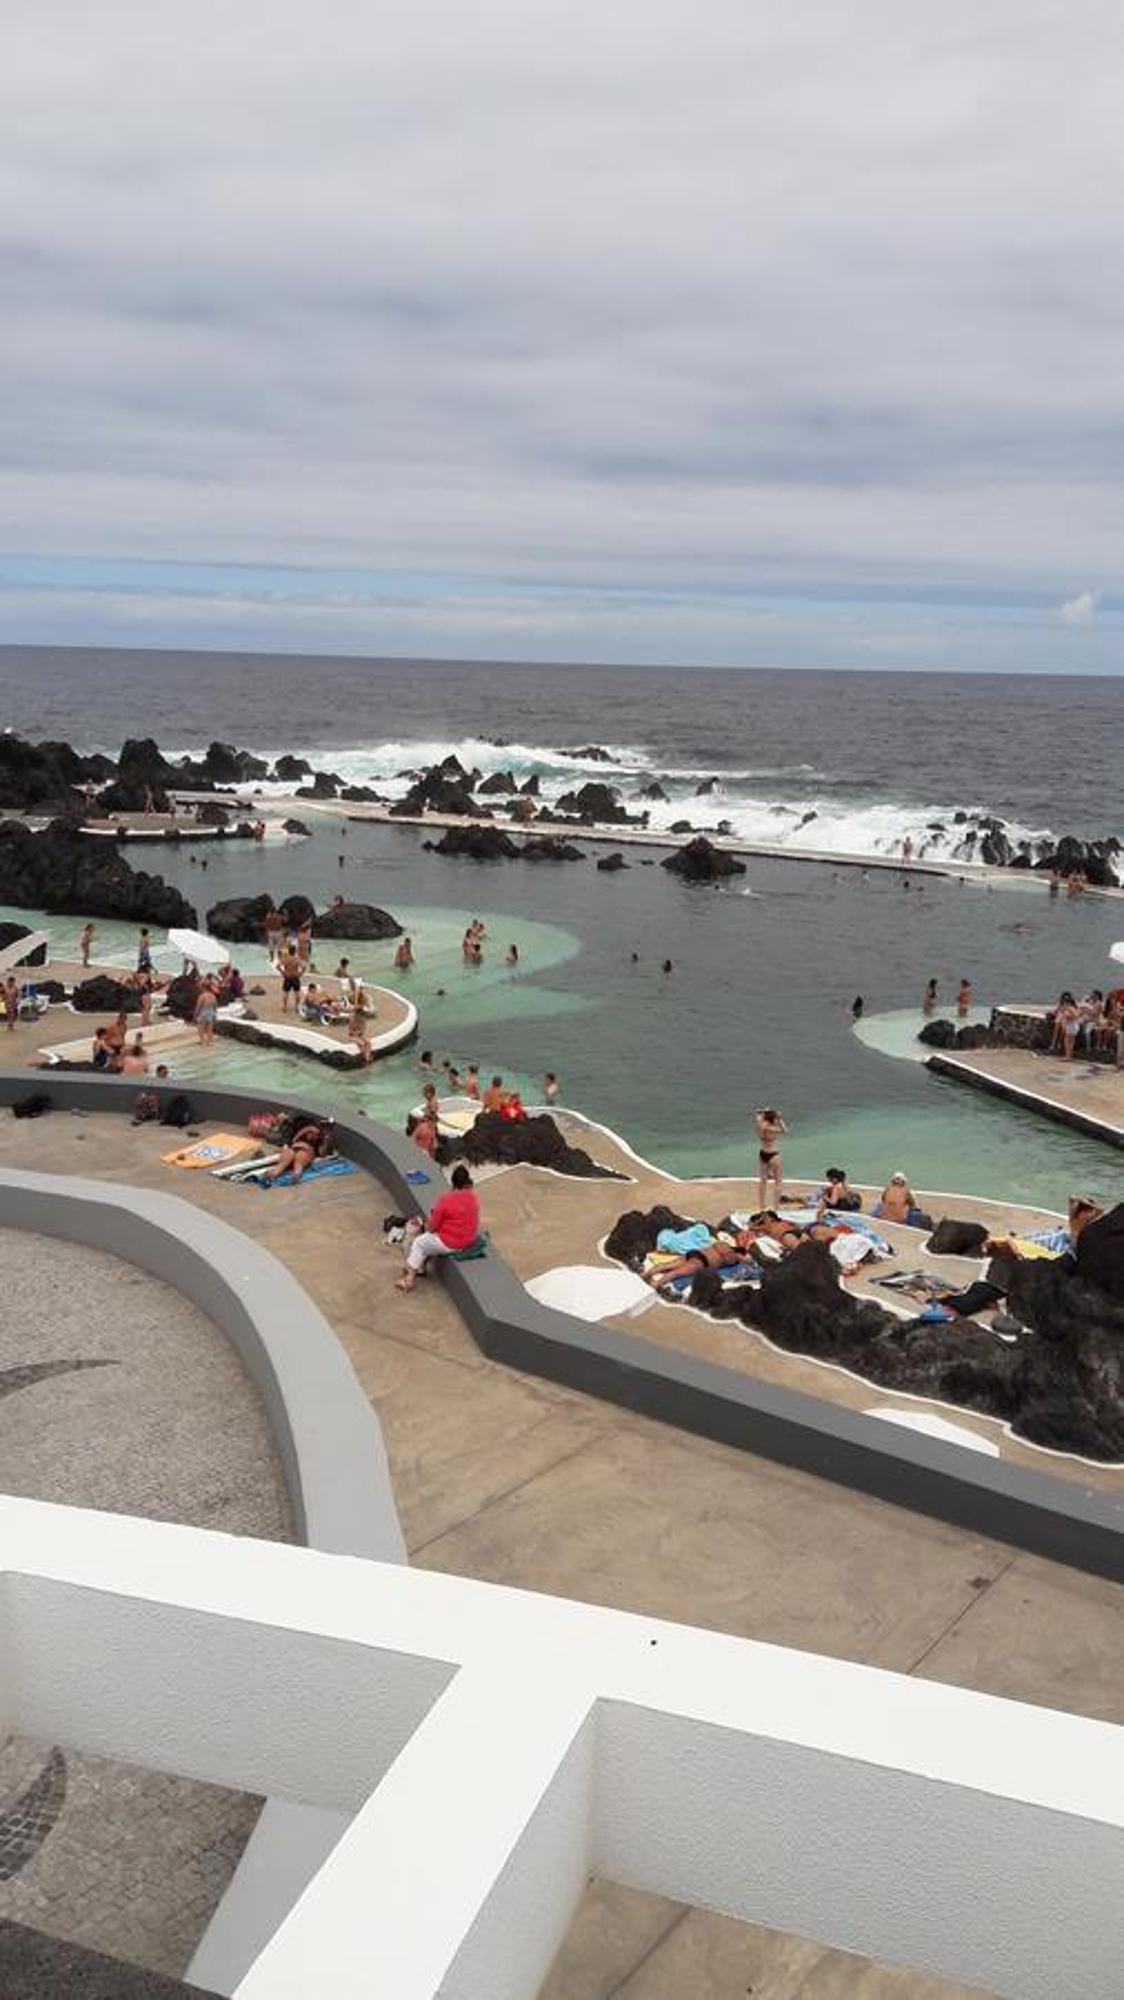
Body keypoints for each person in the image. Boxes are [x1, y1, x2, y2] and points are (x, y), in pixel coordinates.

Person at [396, 1164, 481, 1291]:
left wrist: (428, 1221)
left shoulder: (445, 1200)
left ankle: (409, 1279)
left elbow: (431, 1227)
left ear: (452, 1182)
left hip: (451, 1243)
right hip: (468, 1240)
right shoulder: (473, 1198)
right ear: (467, 1182)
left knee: (419, 1243)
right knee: (426, 1243)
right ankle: (417, 1267)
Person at [264, 1116, 335, 1184]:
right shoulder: (312, 1130)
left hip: (306, 1151)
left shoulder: (324, 1140)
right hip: (295, 1148)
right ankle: (276, 1173)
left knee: (298, 1162)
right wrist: (295, 1139)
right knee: (288, 1156)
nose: (312, 1134)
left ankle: (294, 1174)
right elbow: (306, 1130)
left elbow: (322, 1153)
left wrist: (326, 1141)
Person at [754, 1107, 788, 1210]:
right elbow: (785, 1131)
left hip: (763, 1153)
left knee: (763, 1181)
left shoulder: (760, 1125)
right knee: (778, 1181)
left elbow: (758, 1114)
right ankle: (776, 1207)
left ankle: (761, 1205)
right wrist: (780, 1118)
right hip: (773, 1154)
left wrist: (764, 1112)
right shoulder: (771, 1128)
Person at [279, 944, 302, 1014]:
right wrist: (300, 974)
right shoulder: (296, 959)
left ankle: (284, 1007)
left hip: (288, 977)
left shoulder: (286, 959)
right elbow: (304, 968)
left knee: (286, 992)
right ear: (295, 951)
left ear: (289, 951)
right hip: (295, 977)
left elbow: (277, 966)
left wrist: (283, 973)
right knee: (297, 993)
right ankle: (297, 1007)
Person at [194, 978, 217, 1046]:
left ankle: (202, 1041)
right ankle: (209, 1042)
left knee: (201, 1028)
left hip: (203, 1012)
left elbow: (198, 1006)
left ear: (203, 987)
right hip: (211, 1012)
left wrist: (195, 1014)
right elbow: (215, 1005)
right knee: (210, 1029)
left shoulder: (202, 996)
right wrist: (215, 1014)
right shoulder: (213, 996)